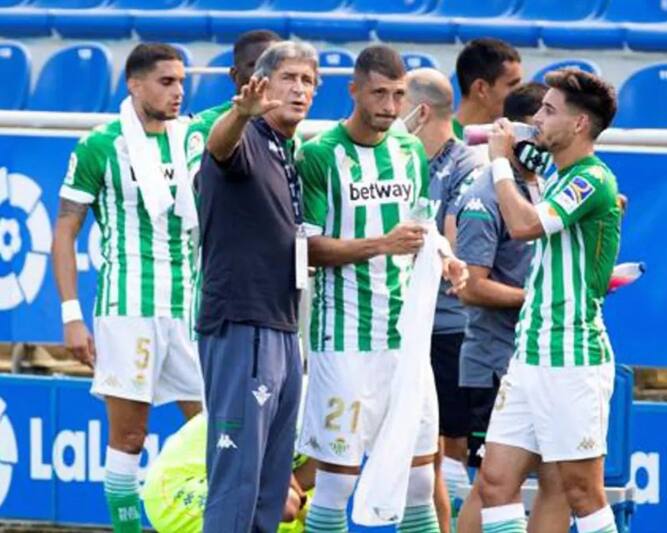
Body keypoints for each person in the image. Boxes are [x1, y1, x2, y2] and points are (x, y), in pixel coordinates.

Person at [296, 45, 467, 533]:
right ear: (353, 91)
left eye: (397, 95)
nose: (390, 107)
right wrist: (380, 244)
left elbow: (418, 229)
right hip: (345, 342)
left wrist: (445, 258)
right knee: (336, 484)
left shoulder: (409, 150)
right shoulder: (320, 155)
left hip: (405, 343)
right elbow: (305, 249)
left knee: (418, 480)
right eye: (379, 94)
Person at [52, 43, 203, 533]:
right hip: (129, 308)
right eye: (166, 82)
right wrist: (71, 314)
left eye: (182, 81)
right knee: (130, 437)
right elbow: (65, 230)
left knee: (212, 431)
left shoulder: (193, 139)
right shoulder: (101, 145)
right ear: (133, 84)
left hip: (192, 308)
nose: (178, 91)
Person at [478, 68, 622, 533]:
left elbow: (522, 227)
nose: (536, 117)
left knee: (583, 493)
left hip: (572, 356)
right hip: (531, 353)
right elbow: (532, 157)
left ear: (579, 125)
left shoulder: (591, 179)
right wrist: (515, 143)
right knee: (496, 483)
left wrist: (499, 160)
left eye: (548, 110)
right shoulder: (560, 173)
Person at [197, 40, 318, 532]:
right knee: (236, 480)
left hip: (282, 325)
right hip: (243, 324)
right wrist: (241, 115)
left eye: (308, 80)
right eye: (288, 77)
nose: (299, 88)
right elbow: (219, 147)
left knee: (271, 486)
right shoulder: (245, 136)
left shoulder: (287, 151)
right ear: (262, 84)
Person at [454, 81, 570, 533]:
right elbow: (470, 286)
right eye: (538, 128)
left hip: (535, 358)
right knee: (493, 484)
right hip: (493, 363)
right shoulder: (485, 196)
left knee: (556, 479)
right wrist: (542, 298)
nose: (544, 139)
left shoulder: (543, 185)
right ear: (516, 130)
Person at [399, 67, 485, 532]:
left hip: (451, 328)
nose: (392, 115)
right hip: (406, 328)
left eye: (398, 104)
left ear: (420, 111)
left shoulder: (466, 167)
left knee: (449, 448)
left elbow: (457, 250)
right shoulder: (401, 161)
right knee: (417, 451)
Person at [185, 29, 280, 181]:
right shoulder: (206, 124)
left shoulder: (285, 127)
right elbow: (200, 186)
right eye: (255, 65)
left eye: (272, 66)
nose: (264, 74)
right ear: (235, 75)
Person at [452, 38, 523, 140]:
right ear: (481, 89)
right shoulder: (437, 144)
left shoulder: (519, 142)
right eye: (512, 85)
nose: (521, 92)